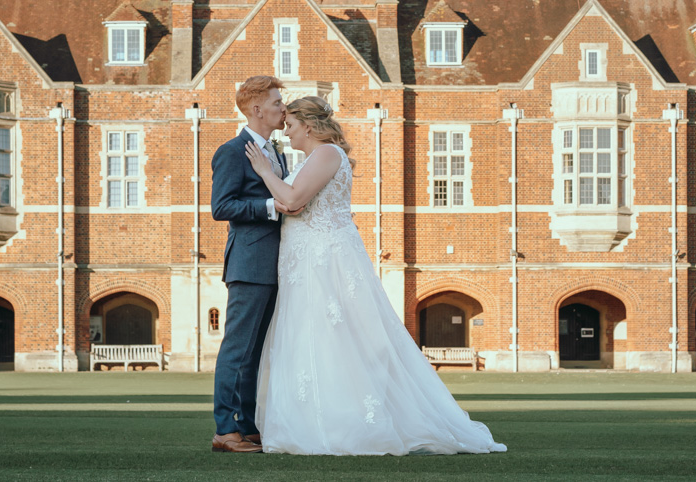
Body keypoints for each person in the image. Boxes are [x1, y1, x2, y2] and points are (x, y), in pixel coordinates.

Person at [246, 95, 507, 455]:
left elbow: (291, 201)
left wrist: (264, 172)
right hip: (306, 260)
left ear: (308, 125)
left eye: (290, 125)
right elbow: (297, 199)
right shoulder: (316, 157)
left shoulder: (325, 154)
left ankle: (342, 423)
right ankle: (316, 419)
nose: (285, 131)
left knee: (333, 335)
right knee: (313, 335)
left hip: (324, 259)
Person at [209, 75, 289, 453]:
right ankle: (225, 430)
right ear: (257, 109)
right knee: (237, 349)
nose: (282, 108)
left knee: (257, 351)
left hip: (277, 264)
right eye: (277, 103)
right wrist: (271, 206)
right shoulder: (231, 151)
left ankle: (249, 425)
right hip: (249, 262)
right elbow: (221, 207)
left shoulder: (277, 151)